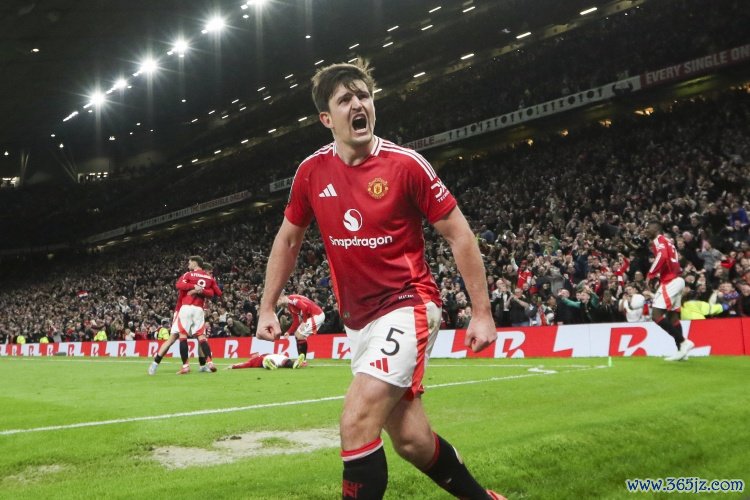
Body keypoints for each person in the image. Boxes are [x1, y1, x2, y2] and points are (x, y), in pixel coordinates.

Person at [255, 60, 502, 500]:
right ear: (326, 119)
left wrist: (482, 312)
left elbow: (459, 234)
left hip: (408, 305)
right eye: (345, 99)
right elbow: (288, 239)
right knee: (412, 440)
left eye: (364, 95)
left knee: (356, 420)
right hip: (359, 322)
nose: (358, 104)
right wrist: (267, 306)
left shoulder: (406, 165)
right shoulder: (311, 172)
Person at [149, 256, 221, 375]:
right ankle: (155, 364)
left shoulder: (192, 276)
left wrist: (198, 289)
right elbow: (180, 286)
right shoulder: (192, 277)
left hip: (189, 309)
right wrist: (195, 287)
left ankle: (201, 365)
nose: (210, 275)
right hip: (181, 310)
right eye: (210, 272)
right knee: (174, 338)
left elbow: (212, 292)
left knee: (198, 338)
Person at [644, 221, 694, 361]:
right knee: (673, 317)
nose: (646, 230)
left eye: (648, 228)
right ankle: (681, 352)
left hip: (670, 281)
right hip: (678, 280)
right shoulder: (668, 241)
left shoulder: (658, 240)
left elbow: (663, 256)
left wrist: (651, 274)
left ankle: (684, 342)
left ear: (656, 229)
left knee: (656, 315)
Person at [277, 294, 325, 359]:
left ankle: (302, 360)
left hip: (317, 315)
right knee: (297, 335)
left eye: (278, 300)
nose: (278, 302)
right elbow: (296, 321)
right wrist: (288, 332)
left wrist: (304, 322)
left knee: (300, 335)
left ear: (282, 297)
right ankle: (301, 359)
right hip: (313, 316)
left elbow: (305, 307)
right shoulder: (290, 306)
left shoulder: (291, 299)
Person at [227, 352, 305, 370]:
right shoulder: (253, 360)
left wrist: (233, 366)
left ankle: (295, 363)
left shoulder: (262, 356)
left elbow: (244, 364)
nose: (255, 354)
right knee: (283, 361)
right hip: (271, 357)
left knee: (282, 360)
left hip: (271, 357)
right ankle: (294, 364)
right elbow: (245, 364)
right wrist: (234, 366)